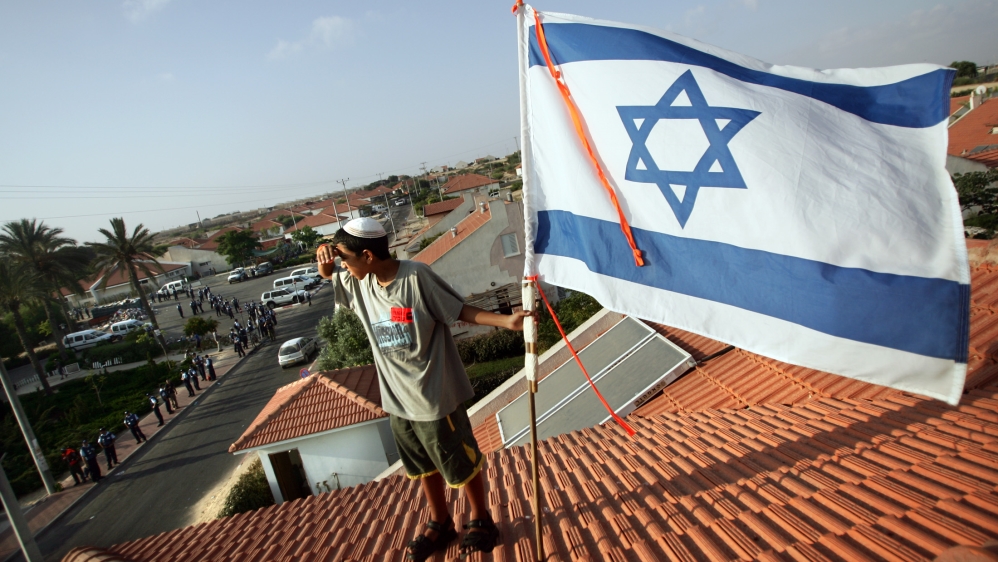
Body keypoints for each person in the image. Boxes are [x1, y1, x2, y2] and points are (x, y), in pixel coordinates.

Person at [316, 218, 529, 560]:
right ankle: (440, 521)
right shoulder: (361, 283)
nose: (343, 265)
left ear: (368, 255)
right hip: (397, 400)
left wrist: (506, 321)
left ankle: (480, 518)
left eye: (345, 258)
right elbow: (332, 275)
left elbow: (457, 310)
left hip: (434, 395)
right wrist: (327, 264)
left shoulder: (416, 277)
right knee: (420, 465)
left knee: (459, 460)